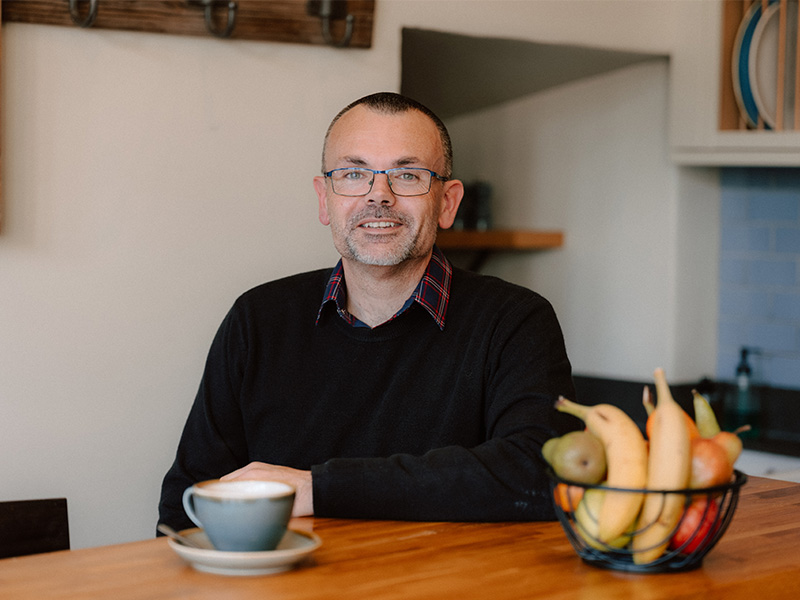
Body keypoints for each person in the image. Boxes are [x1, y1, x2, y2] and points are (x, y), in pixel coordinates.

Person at [158, 92, 577, 531]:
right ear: (324, 199)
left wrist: (317, 488)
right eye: (354, 174)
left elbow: (541, 472)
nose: (379, 196)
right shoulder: (257, 320)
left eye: (408, 175)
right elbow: (186, 505)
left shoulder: (515, 321)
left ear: (447, 203)